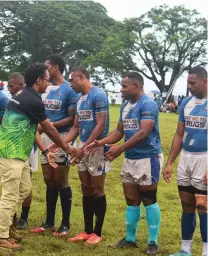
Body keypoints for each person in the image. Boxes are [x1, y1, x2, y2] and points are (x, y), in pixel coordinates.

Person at [85, 71, 163, 254]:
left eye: (124, 86)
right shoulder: (126, 105)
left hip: (147, 157)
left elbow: (143, 133)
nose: (121, 90)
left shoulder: (148, 104)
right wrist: (102, 142)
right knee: (131, 199)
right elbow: (119, 131)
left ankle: (153, 242)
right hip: (130, 158)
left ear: (137, 85)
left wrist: (119, 149)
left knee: (149, 199)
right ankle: (130, 238)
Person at [0, 62, 75, 251]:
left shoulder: (23, 96)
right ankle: (1, 237)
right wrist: (66, 147)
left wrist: (44, 151)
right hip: (11, 153)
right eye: (47, 81)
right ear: (39, 80)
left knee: (23, 190)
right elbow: (49, 128)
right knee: (10, 195)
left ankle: (7, 227)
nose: (48, 84)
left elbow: (33, 130)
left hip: (20, 154)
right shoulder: (32, 100)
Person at [50, 66, 111, 245]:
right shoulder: (79, 99)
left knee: (97, 188)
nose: (70, 84)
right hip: (82, 146)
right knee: (85, 187)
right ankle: (87, 230)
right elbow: (76, 127)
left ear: (83, 77)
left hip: (97, 148)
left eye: (72, 80)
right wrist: (61, 143)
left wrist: (86, 146)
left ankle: (97, 233)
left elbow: (100, 124)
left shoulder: (98, 95)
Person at [31, 55, 79, 237]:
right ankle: (49, 221)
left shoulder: (69, 90)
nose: (44, 69)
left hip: (61, 137)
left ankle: (65, 224)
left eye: (47, 66)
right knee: (48, 179)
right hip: (44, 137)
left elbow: (72, 119)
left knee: (60, 180)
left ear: (56, 67)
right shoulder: (45, 88)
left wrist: (50, 126)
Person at [163, 66, 207, 256]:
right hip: (186, 159)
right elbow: (179, 134)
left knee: (203, 205)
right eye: (188, 83)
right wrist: (170, 162)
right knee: (186, 203)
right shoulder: (185, 104)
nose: (189, 86)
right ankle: (185, 250)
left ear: (205, 81)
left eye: (193, 83)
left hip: (204, 158)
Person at [7, 72, 35, 229]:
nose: (10, 88)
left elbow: (37, 127)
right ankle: (11, 218)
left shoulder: (30, 100)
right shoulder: (12, 100)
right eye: (9, 86)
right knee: (11, 184)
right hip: (12, 147)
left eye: (12, 86)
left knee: (26, 183)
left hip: (28, 146)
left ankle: (23, 218)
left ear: (22, 85)